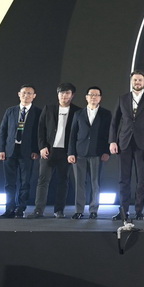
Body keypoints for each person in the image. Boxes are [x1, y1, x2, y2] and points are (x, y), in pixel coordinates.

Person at [108, 70, 144, 221]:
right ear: (131, 81)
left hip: (143, 144)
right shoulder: (123, 98)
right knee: (123, 179)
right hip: (124, 142)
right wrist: (112, 141)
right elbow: (114, 121)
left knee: (141, 179)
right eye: (135, 80)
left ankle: (139, 211)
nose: (137, 82)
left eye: (140, 80)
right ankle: (123, 210)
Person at [33, 82, 81, 218]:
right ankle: (38, 210)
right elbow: (40, 129)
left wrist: (73, 151)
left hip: (66, 152)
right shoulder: (49, 108)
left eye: (67, 93)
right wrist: (42, 146)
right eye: (62, 93)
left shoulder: (77, 111)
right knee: (43, 180)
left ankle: (59, 210)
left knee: (63, 181)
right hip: (49, 150)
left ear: (72, 95)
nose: (64, 95)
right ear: (58, 94)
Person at [0, 85, 41, 218]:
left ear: (34, 96)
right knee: (9, 183)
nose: (26, 95)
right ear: (19, 94)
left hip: (27, 151)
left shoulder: (38, 112)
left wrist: (36, 150)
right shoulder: (10, 111)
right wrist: (1, 149)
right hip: (10, 150)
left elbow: (39, 133)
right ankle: (9, 208)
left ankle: (21, 208)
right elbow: (3, 131)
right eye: (24, 93)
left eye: (29, 93)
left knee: (25, 182)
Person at [67, 87, 111, 219]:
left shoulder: (106, 113)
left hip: (97, 153)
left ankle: (93, 210)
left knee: (95, 183)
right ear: (86, 97)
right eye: (91, 95)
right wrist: (71, 153)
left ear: (100, 98)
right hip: (80, 152)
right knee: (79, 183)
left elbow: (109, 134)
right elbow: (73, 134)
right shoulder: (78, 114)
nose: (93, 97)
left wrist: (107, 151)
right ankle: (79, 210)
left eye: (96, 95)